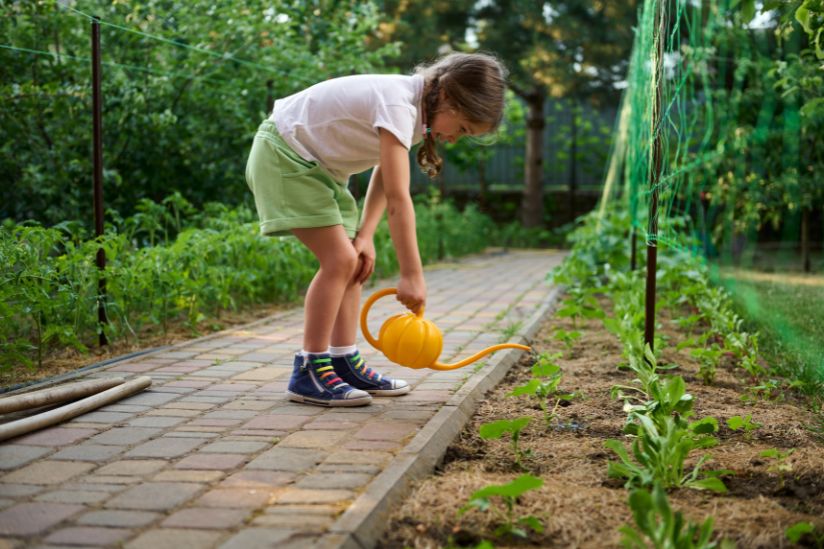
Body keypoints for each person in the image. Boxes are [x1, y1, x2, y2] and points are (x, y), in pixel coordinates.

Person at [245, 52, 508, 407]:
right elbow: (399, 200)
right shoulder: (399, 103)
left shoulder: (414, 113)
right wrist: (412, 275)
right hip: (285, 155)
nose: (454, 139)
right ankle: (308, 369)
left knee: (353, 260)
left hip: (318, 171)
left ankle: (341, 361)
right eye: (461, 129)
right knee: (339, 261)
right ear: (447, 97)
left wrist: (365, 236)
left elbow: (384, 179)